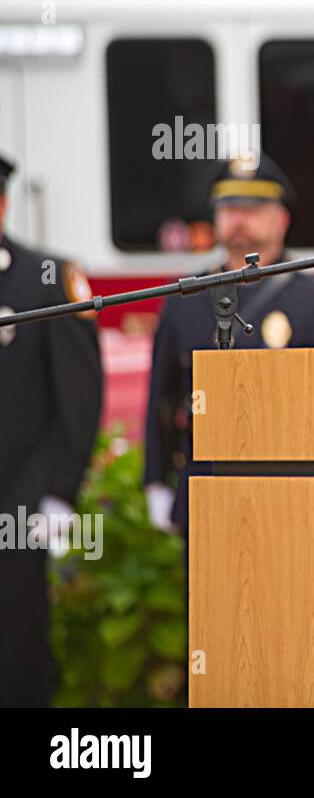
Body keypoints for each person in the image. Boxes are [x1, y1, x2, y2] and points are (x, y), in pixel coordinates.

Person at [143, 153, 314, 539]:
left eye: (253, 209)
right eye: (229, 209)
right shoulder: (184, 298)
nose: (239, 220)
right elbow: (162, 393)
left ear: (281, 220)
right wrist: (155, 477)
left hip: (289, 487)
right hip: (203, 480)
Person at [0, 153, 103, 706]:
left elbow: (79, 395)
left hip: (15, 505)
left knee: (17, 658)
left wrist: (60, 492)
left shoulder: (45, 279)